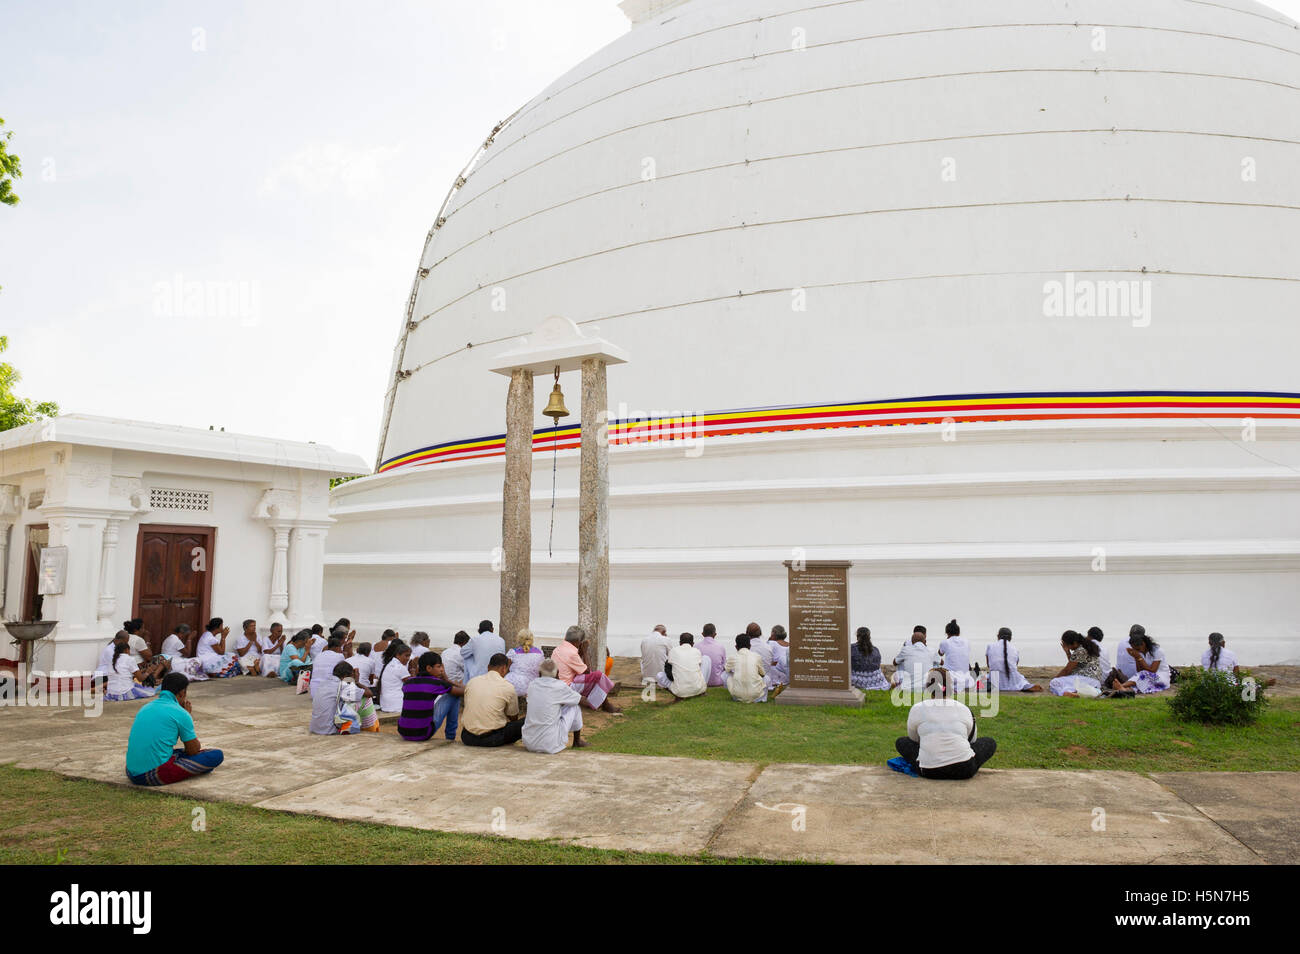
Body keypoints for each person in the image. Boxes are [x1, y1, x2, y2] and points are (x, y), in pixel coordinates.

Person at [893, 668, 997, 780]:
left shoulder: (917, 708)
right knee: (989, 742)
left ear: (928, 687)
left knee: (902, 742)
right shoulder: (964, 709)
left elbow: (913, 738)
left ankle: (933, 757)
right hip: (964, 768)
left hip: (929, 771)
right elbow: (972, 739)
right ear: (950, 687)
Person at [125, 673, 224, 786]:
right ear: (182, 693)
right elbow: (193, 750)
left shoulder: (145, 707)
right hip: (149, 775)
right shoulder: (181, 713)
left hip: (130, 770)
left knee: (176, 752)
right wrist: (188, 716)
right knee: (215, 755)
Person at [523, 659, 588, 753]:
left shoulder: (532, 685)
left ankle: (577, 741)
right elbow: (581, 701)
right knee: (575, 706)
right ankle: (577, 741)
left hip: (529, 743)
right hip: (551, 745)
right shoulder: (560, 686)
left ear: (539, 673)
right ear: (557, 673)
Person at [552, 625, 620, 712]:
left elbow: (574, 665)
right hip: (567, 687)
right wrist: (584, 651)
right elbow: (587, 671)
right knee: (598, 675)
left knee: (593, 676)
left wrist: (579, 653)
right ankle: (604, 704)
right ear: (578, 641)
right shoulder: (571, 653)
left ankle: (599, 702)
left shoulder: (558, 649)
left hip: (558, 685)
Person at [461, 653, 524, 747]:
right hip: (492, 739)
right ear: (504, 669)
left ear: (488, 667)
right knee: (526, 721)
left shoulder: (472, 682)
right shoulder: (507, 686)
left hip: (467, 737)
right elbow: (513, 717)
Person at [399, 651, 463, 742]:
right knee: (454, 696)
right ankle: (450, 737)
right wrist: (447, 679)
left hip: (404, 731)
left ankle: (450, 737)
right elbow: (463, 692)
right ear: (429, 668)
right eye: (439, 666)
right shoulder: (435, 683)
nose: (442, 670)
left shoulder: (408, 682)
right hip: (423, 733)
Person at [310, 659, 376, 734]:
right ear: (345, 676)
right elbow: (369, 693)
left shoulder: (324, 683)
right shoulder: (343, 686)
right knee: (364, 699)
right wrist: (357, 682)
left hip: (315, 728)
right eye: (351, 676)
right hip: (329, 730)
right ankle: (370, 728)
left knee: (352, 697)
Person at [1107, 625, 1170, 694]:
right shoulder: (1141, 652)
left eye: (1138, 649)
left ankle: (1122, 685)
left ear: (1143, 644)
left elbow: (1153, 671)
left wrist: (1139, 657)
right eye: (1135, 649)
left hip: (1160, 677)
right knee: (1139, 684)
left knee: (1143, 675)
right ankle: (1123, 689)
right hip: (1148, 678)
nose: (1138, 651)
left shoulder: (1157, 651)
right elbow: (1139, 670)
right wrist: (1136, 657)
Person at [1048, 630, 1104, 696]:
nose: (1067, 647)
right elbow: (1073, 665)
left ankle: (1064, 693)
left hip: (1086, 680)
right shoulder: (1085, 646)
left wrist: (1054, 678)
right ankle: (1072, 692)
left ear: (1074, 642)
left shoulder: (1080, 651)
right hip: (1094, 681)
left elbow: (1067, 670)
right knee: (1064, 682)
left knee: (1054, 682)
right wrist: (1067, 652)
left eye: (1067, 645)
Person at [985, 627, 1042, 692]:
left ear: (998, 636)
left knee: (981, 678)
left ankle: (992, 686)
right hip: (1013, 678)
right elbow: (1015, 666)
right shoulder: (1014, 648)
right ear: (1010, 638)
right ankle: (1025, 686)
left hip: (995, 678)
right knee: (1021, 679)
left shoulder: (990, 646)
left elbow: (989, 665)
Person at [104, 637, 158, 701]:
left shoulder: (112, 660)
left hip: (111, 693)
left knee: (136, 685)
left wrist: (142, 671)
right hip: (124, 692)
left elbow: (124, 674)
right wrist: (148, 672)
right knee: (151, 691)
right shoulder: (129, 659)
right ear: (126, 650)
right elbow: (140, 679)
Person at [658, 633, 709, 698]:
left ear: (680, 643)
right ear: (693, 643)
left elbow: (668, 666)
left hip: (679, 692)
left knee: (659, 675)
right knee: (705, 659)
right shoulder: (697, 651)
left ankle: (677, 694)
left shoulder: (673, 651)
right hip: (698, 689)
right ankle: (701, 691)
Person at [725, 633, 768, 703]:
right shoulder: (757, 656)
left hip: (737, 695)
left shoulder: (732, 657)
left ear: (736, 647)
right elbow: (763, 674)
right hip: (755, 695)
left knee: (726, 675)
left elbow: (726, 670)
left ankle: (737, 695)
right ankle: (762, 699)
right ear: (750, 646)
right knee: (767, 678)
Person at [937, 619, 974, 690]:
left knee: (936, 670)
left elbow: (940, 653)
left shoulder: (945, 642)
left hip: (951, 677)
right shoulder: (967, 642)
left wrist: (947, 639)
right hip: (966, 678)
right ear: (959, 632)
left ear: (947, 633)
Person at [505, 629, 545, 696]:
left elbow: (506, 668)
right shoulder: (540, 653)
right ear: (532, 639)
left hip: (514, 686)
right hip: (533, 686)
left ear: (519, 639)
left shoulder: (513, 652)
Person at [850, 627, 890, 691]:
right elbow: (877, 666)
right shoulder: (876, 650)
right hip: (875, 679)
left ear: (857, 636)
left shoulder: (851, 648)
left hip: (856, 679)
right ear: (869, 637)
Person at [377, 640, 412, 712]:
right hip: (396, 704)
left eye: (409, 656)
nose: (408, 658)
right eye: (406, 655)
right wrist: (414, 671)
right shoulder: (399, 667)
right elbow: (412, 684)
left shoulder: (389, 663)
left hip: (385, 704)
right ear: (398, 655)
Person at [310, 633, 347, 700]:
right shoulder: (339, 656)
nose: (341, 650)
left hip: (314, 692)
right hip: (328, 693)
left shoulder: (319, 655)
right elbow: (345, 670)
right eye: (340, 647)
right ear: (336, 647)